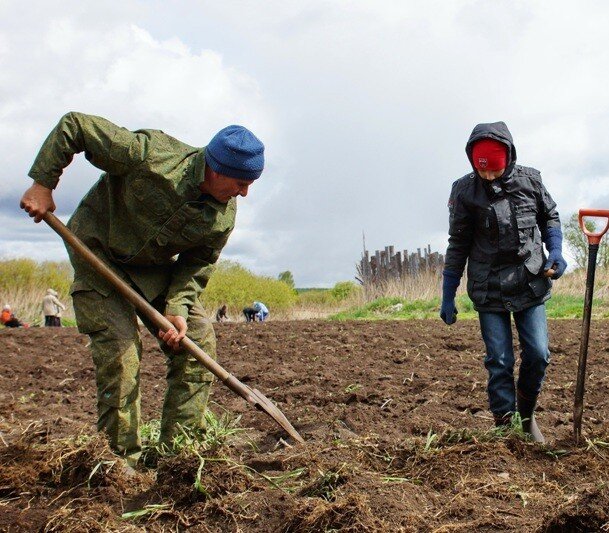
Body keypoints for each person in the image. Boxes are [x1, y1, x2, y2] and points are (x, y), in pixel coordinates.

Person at [20, 112, 264, 466]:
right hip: (98, 257)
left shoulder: (222, 215)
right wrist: (43, 184)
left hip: (152, 271)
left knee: (197, 342)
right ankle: (121, 464)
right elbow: (75, 126)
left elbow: (198, 263)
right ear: (215, 168)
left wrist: (178, 308)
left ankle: (175, 455)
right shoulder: (151, 156)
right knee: (122, 358)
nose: (244, 192)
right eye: (241, 182)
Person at [440, 121, 566, 443]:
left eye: (495, 171)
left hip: (529, 281)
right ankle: (504, 428)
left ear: (507, 159)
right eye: (483, 172)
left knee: (538, 353)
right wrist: (448, 293)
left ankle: (526, 418)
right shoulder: (465, 191)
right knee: (499, 361)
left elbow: (549, 216)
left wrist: (556, 251)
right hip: (488, 286)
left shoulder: (530, 180)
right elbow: (458, 244)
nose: (490, 177)